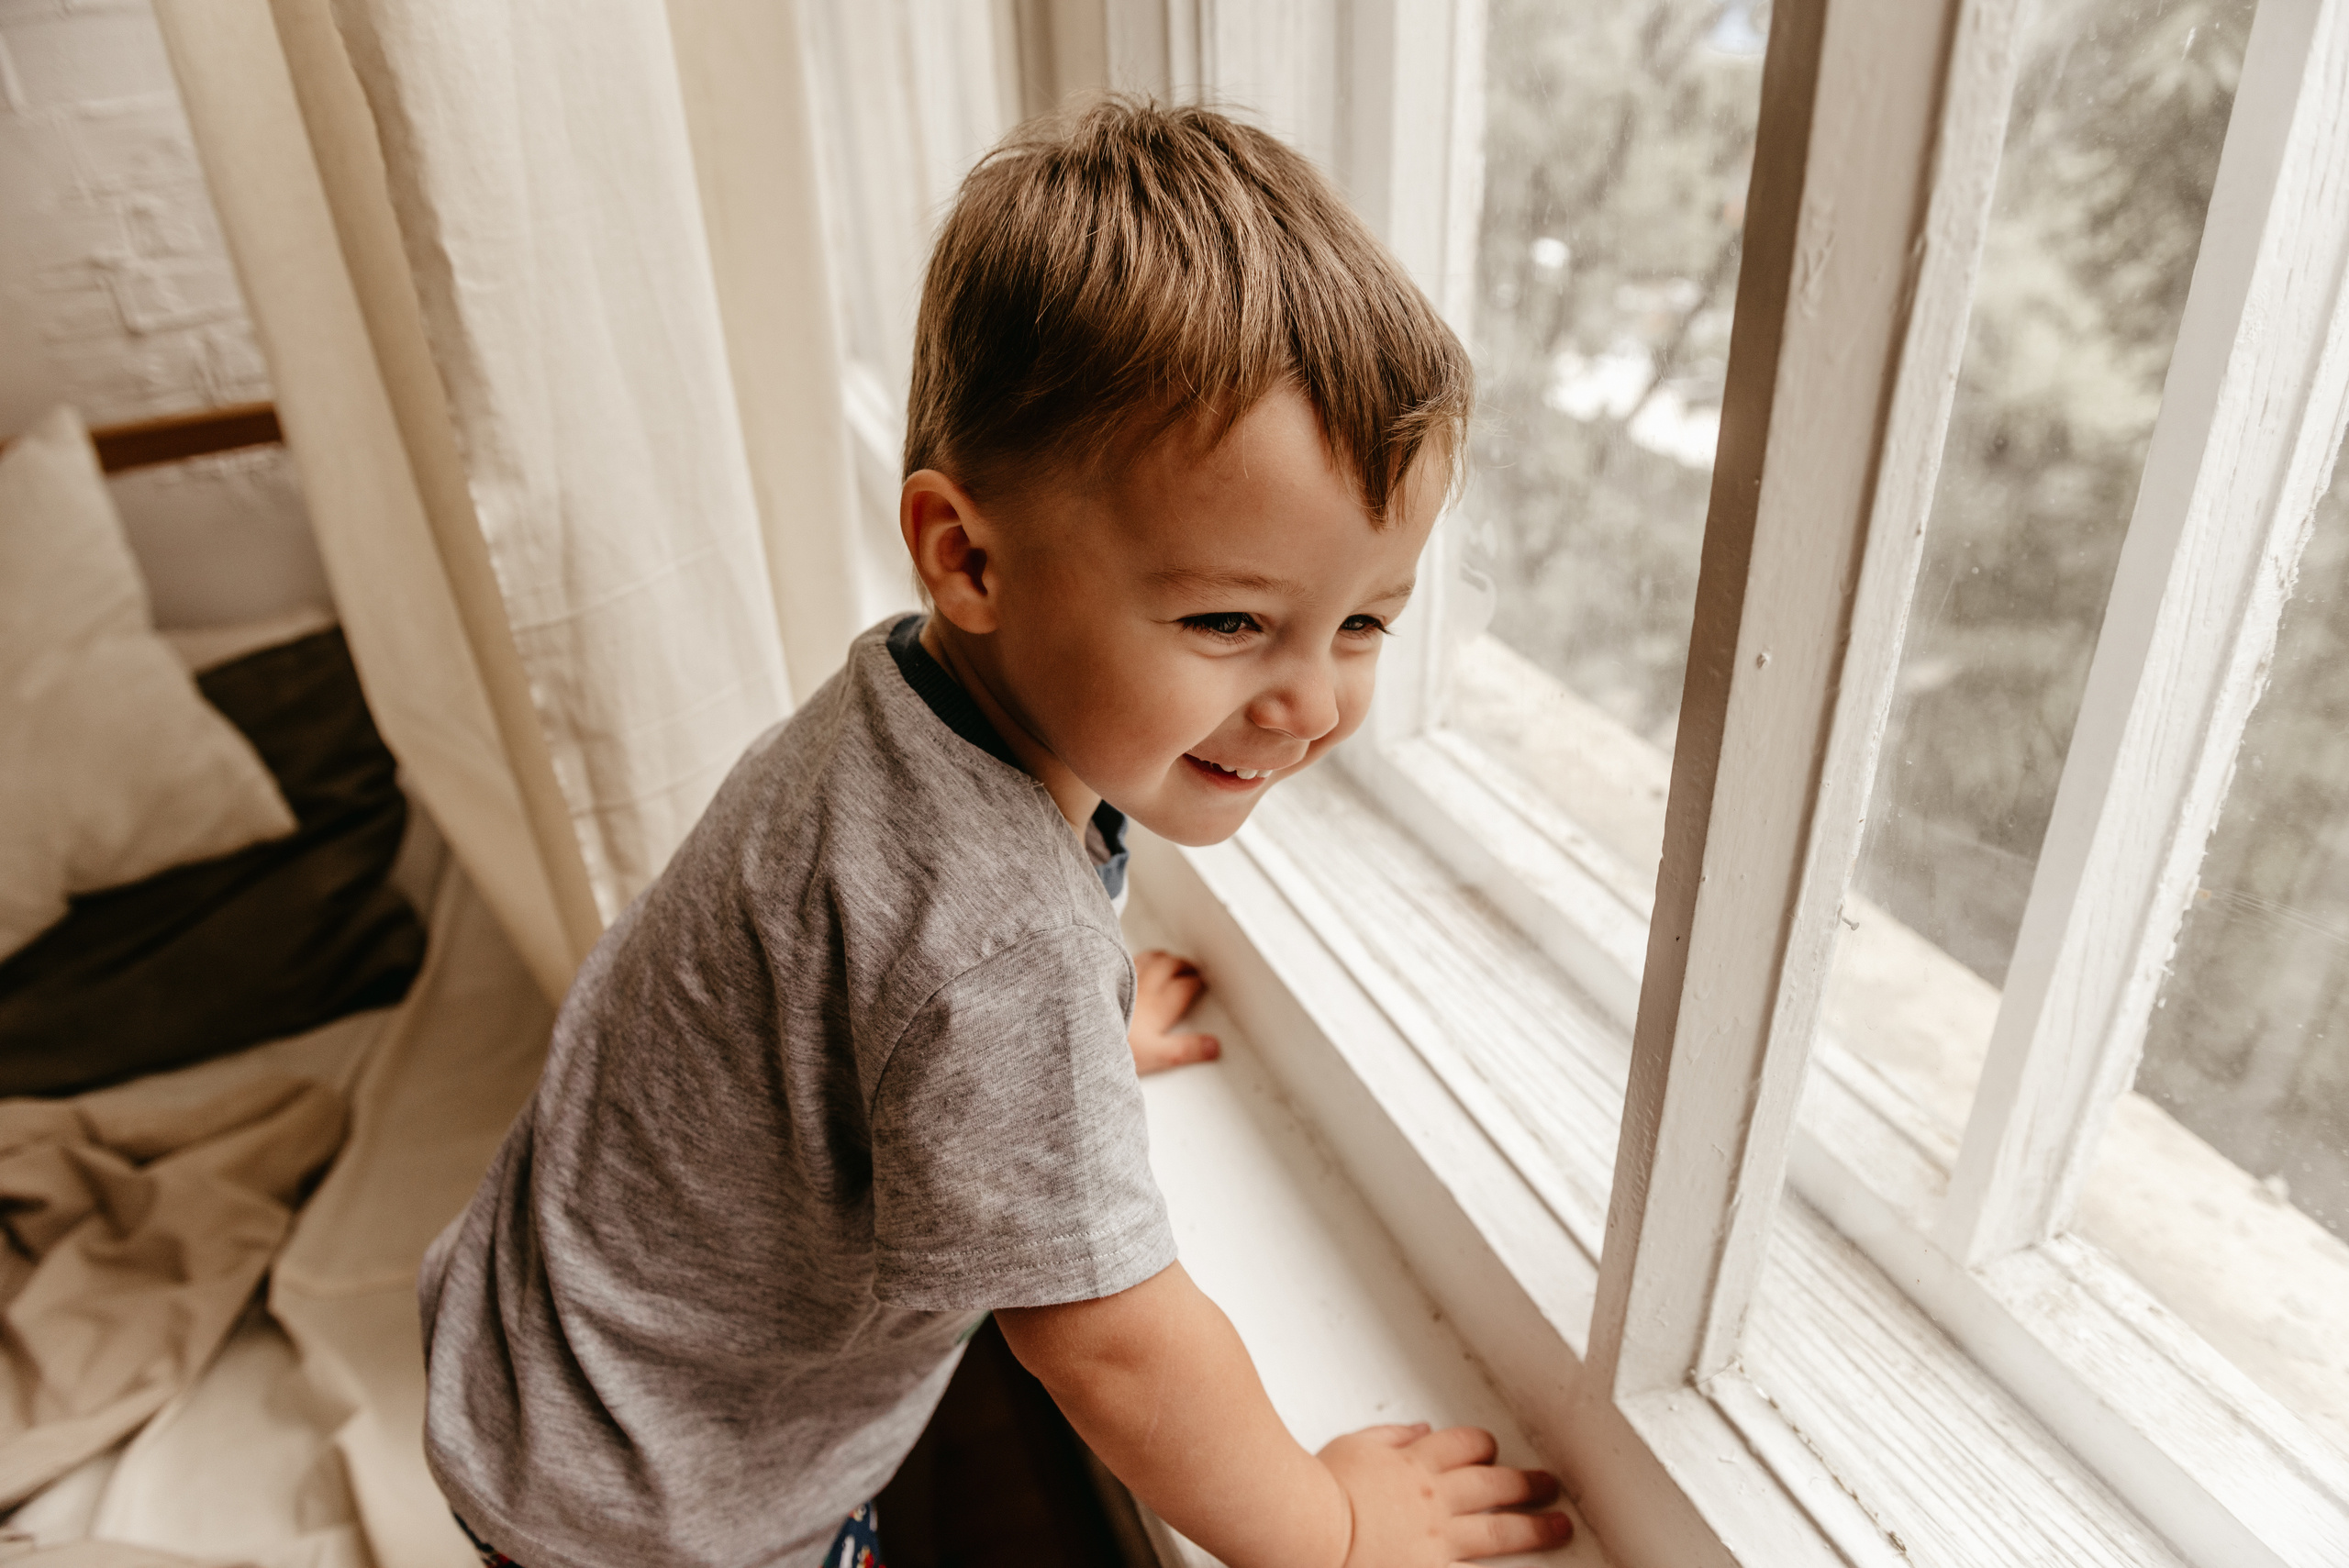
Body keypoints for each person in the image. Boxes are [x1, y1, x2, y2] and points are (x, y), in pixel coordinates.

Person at [418, 97, 1574, 1568]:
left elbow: (886, 998)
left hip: (543, 1362)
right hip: (664, 1509)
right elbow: (1110, 1347)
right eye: (1230, 621)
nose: (1309, 700)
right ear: (966, 553)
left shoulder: (902, 697)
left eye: (1363, 622)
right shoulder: (996, 943)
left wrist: (1066, 1052)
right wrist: (1334, 1527)